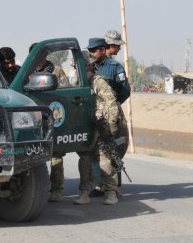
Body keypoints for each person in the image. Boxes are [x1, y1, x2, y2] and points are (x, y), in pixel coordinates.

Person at [26, 43, 71, 202]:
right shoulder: (25, 73)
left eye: (41, 57)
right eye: (35, 57)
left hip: (52, 117)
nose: (38, 61)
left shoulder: (57, 72)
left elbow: (66, 95)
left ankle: (56, 189)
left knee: (56, 155)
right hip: (31, 121)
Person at [74, 74, 122, 205]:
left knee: (104, 161)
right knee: (84, 161)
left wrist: (111, 128)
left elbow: (112, 104)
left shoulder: (99, 82)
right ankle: (84, 193)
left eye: (85, 69)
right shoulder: (78, 82)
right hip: (85, 127)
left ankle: (111, 192)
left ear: (89, 68)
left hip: (101, 127)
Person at [88, 34, 131, 104]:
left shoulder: (115, 67)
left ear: (103, 50)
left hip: (108, 111)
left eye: (94, 51)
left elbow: (125, 91)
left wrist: (114, 104)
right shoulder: (87, 67)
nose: (91, 54)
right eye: (90, 50)